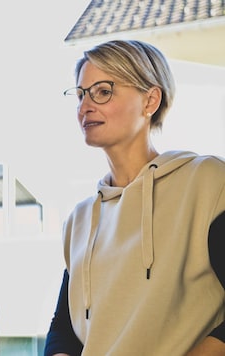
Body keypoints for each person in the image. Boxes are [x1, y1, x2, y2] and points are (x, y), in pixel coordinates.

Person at [44, 39, 225, 356]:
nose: (85, 106)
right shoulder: (80, 220)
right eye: (81, 94)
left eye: (102, 91)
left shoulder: (207, 182)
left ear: (150, 100)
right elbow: (63, 330)